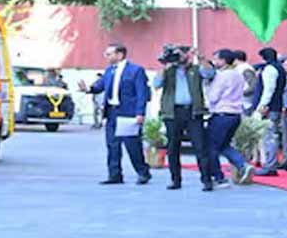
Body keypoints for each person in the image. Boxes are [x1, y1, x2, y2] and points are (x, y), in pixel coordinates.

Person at [78, 43, 152, 185]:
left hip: (128, 113)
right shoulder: (109, 71)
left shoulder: (136, 70)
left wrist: (140, 113)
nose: (106, 56)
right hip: (112, 112)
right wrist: (87, 89)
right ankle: (115, 175)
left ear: (119, 54)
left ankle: (143, 172)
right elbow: (99, 86)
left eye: (109, 54)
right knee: (112, 145)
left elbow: (141, 93)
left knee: (132, 145)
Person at [153, 46, 213, 191]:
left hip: (193, 112)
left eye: (181, 54)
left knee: (200, 146)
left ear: (187, 55)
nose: (179, 58)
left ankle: (206, 180)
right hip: (173, 112)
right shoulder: (169, 71)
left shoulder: (195, 69)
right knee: (173, 147)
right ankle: (175, 180)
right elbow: (156, 84)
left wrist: (201, 57)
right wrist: (165, 64)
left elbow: (209, 73)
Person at [205, 49, 254, 187]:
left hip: (221, 113)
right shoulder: (238, 75)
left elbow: (213, 97)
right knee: (224, 145)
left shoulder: (221, 76)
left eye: (216, 59)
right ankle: (242, 164)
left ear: (223, 60)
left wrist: (208, 90)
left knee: (212, 147)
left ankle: (218, 177)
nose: (214, 62)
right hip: (235, 114)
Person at [253, 47, 287, 176]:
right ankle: (271, 163)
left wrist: (262, 105)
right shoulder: (280, 68)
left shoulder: (270, 69)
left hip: (269, 107)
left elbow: (269, 89)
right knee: (272, 135)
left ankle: (270, 165)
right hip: (276, 105)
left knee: (269, 137)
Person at [233, 50, 258, 115]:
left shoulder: (246, 69)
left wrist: (241, 93)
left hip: (246, 102)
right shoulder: (239, 68)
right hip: (241, 101)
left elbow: (253, 86)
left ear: (236, 59)